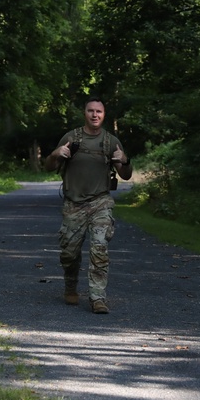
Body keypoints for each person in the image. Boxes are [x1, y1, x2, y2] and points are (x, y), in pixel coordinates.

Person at [44, 96, 132, 313]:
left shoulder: (111, 141)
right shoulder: (71, 137)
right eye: (91, 111)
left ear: (104, 115)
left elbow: (126, 175)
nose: (95, 115)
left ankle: (97, 297)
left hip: (100, 202)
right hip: (73, 204)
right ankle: (71, 285)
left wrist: (125, 159)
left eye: (99, 112)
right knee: (69, 254)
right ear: (85, 113)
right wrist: (56, 153)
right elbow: (49, 166)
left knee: (99, 248)